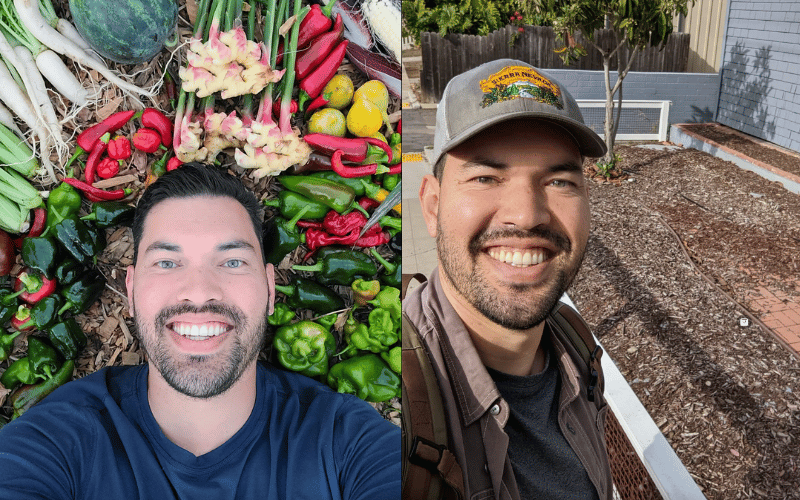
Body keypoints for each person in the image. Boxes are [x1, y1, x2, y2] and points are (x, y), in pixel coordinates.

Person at [0, 163, 401, 499]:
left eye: (231, 262)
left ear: (270, 289)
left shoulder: (346, 443)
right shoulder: (57, 443)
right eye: (167, 263)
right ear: (131, 289)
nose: (199, 292)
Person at [402, 59, 613, 499]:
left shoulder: (576, 347)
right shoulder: (403, 397)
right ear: (433, 207)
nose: (527, 215)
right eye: (485, 177)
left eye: (559, 181)